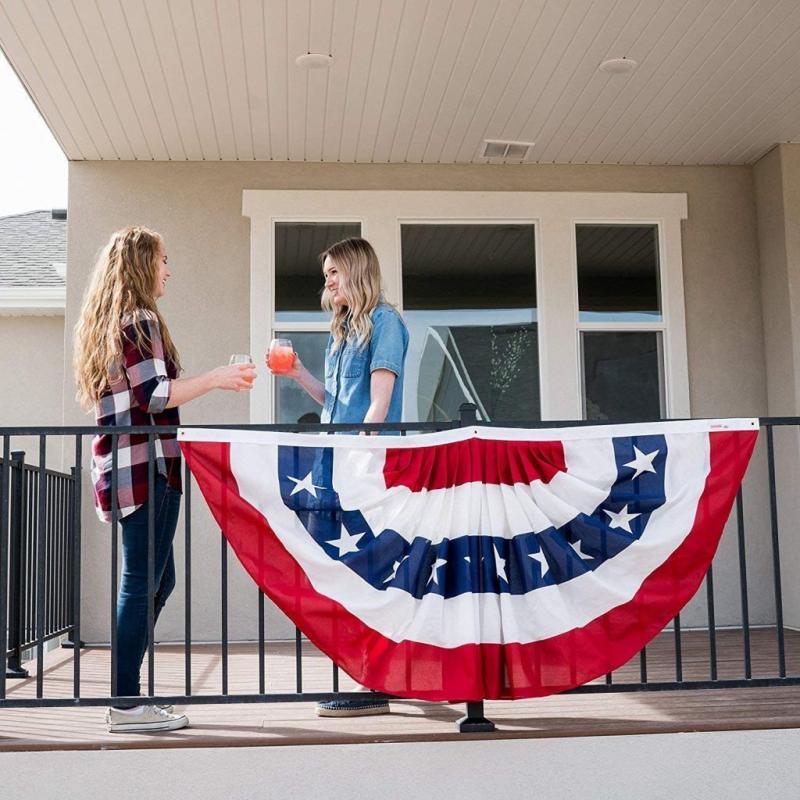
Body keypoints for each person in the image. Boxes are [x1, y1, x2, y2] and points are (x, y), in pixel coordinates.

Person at [74, 226, 255, 733]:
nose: (169, 271)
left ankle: (125, 689)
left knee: (159, 579)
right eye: (163, 260)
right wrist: (217, 378)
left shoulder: (113, 323)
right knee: (141, 582)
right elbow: (155, 395)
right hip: (148, 467)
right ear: (140, 265)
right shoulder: (140, 320)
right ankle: (126, 701)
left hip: (130, 468)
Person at [269, 237, 409, 717]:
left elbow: (379, 404)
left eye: (333, 271)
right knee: (344, 573)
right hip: (335, 464)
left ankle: (377, 682)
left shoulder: (386, 323)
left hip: (364, 467)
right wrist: (300, 374)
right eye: (325, 273)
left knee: (368, 572)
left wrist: (360, 457)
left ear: (355, 271)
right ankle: (368, 675)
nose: (326, 281)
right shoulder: (343, 330)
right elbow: (334, 404)